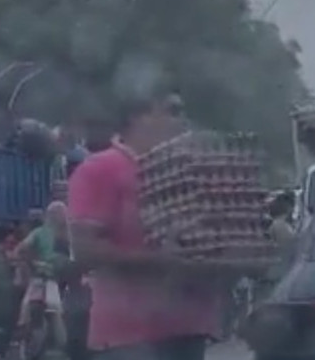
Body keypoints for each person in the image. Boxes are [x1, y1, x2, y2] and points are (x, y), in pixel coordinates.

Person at [68, 86, 244, 360]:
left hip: (188, 330)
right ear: (138, 117)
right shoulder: (100, 169)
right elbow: (85, 249)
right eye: (173, 111)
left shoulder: (189, 173)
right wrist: (159, 260)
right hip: (128, 337)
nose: (183, 121)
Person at [13, 201, 71, 346]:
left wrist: (30, 263)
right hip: (52, 279)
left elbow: (19, 251)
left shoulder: (41, 233)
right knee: (54, 309)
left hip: (51, 279)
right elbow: (20, 251)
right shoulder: (66, 234)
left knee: (28, 308)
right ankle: (62, 346)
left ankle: (20, 339)